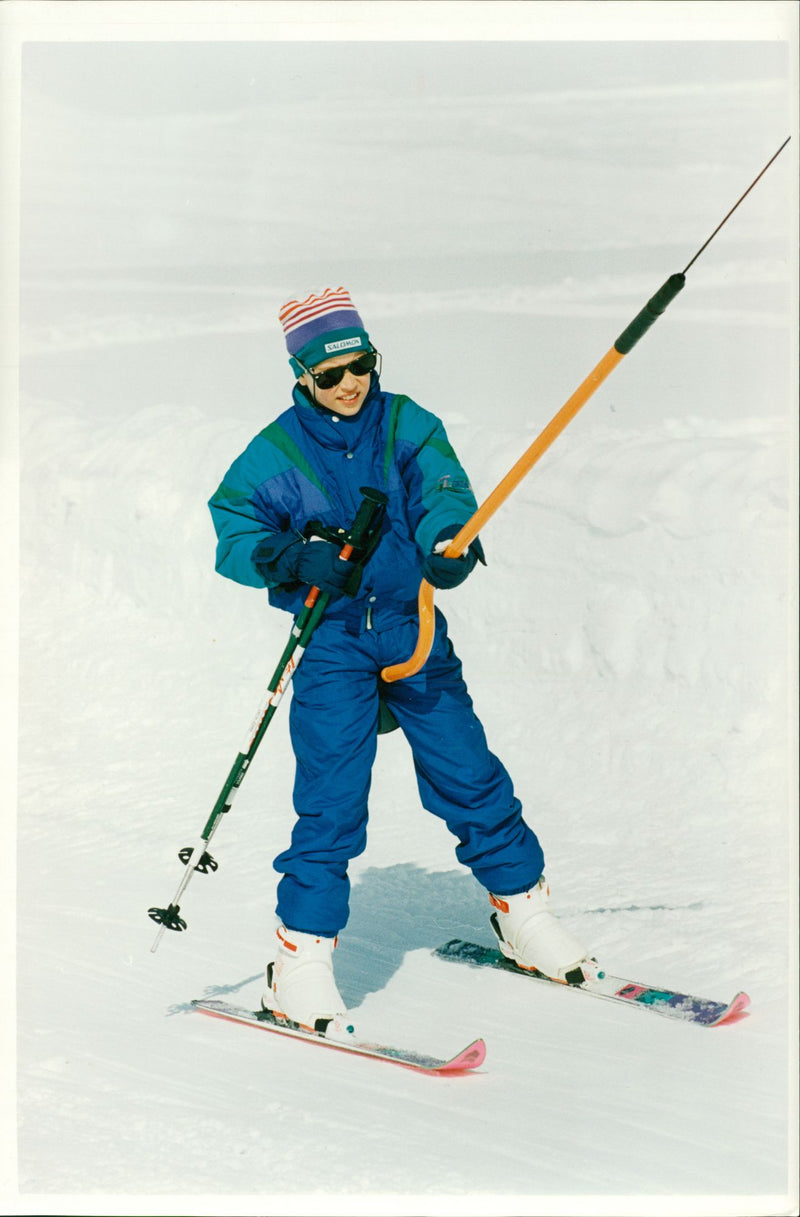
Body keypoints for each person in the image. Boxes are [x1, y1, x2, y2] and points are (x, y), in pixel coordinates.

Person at [208, 287, 593, 1032]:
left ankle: (525, 912)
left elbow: (445, 490)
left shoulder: (407, 425)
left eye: (360, 365)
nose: (350, 383)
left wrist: (450, 540)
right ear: (301, 378)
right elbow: (231, 532)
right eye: (330, 375)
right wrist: (291, 555)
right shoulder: (274, 453)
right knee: (331, 803)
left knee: (470, 772)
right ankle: (300, 962)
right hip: (333, 643)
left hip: (414, 633)